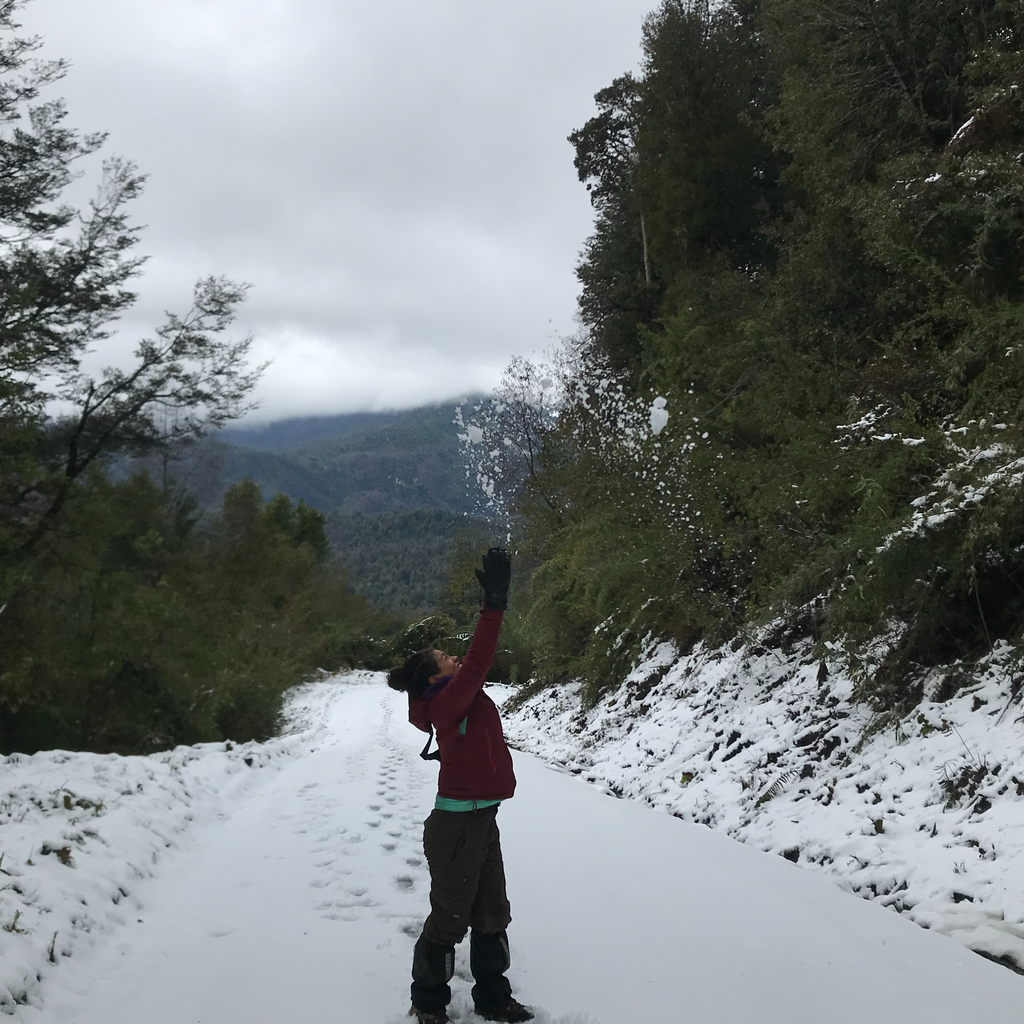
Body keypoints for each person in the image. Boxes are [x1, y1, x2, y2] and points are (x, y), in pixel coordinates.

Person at [387, 547, 534, 1024]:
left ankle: (493, 997)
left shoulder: (455, 697)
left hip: (481, 818)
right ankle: (428, 1004)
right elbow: (480, 657)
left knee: (492, 912)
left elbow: (472, 664)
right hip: (456, 827)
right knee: (450, 918)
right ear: (436, 677)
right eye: (446, 658)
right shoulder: (447, 702)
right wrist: (493, 603)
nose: (455, 658)